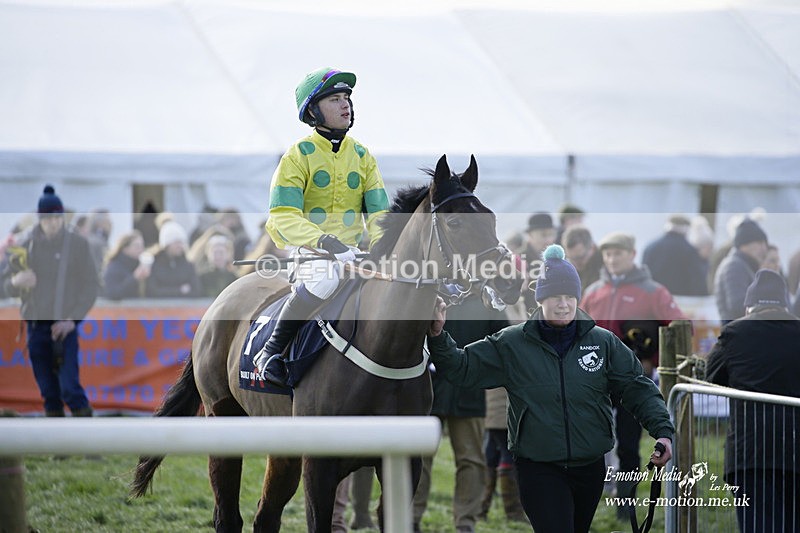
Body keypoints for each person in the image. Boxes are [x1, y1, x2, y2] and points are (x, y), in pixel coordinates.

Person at [426, 244, 674, 533]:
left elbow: (637, 387)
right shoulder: (512, 343)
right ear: (540, 299)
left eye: (569, 297)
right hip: (538, 466)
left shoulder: (603, 342)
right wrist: (438, 334)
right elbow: (462, 367)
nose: (563, 304)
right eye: (555, 297)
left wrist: (663, 432)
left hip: (589, 465)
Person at [254, 67, 389, 388]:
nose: (346, 106)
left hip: (355, 255)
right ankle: (270, 352)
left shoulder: (363, 155)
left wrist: (383, 250)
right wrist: (327, 243)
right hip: (313, 254)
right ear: (313, 110)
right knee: (327, 280)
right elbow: (282, 215)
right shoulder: (297, 156)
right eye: (335, 99)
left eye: (347, 99)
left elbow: (381, 215)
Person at [579, 231, 685, 518]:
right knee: (590, 442)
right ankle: (589, 497)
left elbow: (679, 328)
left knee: (628, 445)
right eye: (608, 253)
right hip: (594, 380)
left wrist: (653, 360)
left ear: (632, 254)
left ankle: (625, 506)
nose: (612, 259)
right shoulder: (592, 292)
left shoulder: (654, 291)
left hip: (630, 382)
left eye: (618, 253)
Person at [705, 269, 799, 533]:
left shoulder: (734, 333)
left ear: (748, 306)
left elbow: (711, 376)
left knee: (756, 524)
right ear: (784, 304)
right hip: (795, 449)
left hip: (750, 452)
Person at [412, 295, 509, 533]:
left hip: (469, 391)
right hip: (427, 389)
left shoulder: (485, 299)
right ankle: (410, 518)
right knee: (419, 459)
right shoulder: (428, 293)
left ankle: (466, 523)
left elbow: (503, 340)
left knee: (471, 460)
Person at [0, 185, 99, 417]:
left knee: (70, 388)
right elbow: (3, 286)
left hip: (64, 327)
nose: (54, 223)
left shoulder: (77, 244)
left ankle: (91, 444)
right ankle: (60, 449)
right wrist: (16, 281)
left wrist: (72, 320)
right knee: (48, 391)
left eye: (57, 217)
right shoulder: (24, 245)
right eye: (48, 218)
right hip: (35, 327)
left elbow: (91, 286)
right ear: (40, 219)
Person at [478, 387, 527, 524]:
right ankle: (513, 511)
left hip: (490, 409)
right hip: (504, 409)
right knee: (507, 458)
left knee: (490, 457)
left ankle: (480, 509)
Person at [714, 218, 768, 324]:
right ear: (744, 244)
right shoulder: (734, 266)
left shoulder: (742, 265)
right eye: (759, 243)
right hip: (737, 334)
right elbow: (737, 306)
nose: (764, 249)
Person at [642, 214, 709, 296]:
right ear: (686, 229)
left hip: (653, 297)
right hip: (681, 301)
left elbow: (644, 277)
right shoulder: (689, 251)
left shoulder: (650, 248)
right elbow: (697, 282)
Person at [145, 220, 200, 298]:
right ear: (167, 244)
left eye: (181, 242)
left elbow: (196, 290)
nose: (180, 246)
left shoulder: (188, 265)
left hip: (184, 309)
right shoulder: (155, 265)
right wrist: (179, 291)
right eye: (176, 242)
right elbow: (152, 291)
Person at [102, 230, 151, 300]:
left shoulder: (140, 265)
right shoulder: (114, 267)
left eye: (142, 246)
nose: (141, 250)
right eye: (137, 246)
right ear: (125, 248)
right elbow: (113, 293)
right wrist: (134, 278)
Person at [522, 212, 556, 312]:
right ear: (530, 235)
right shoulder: (518, 260)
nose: (549, 240)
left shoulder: (558, 259)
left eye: (551, 234)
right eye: (543, 235)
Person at [562, 224, 603, 292]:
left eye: (580, 258)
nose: (575, 263)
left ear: (592, 248)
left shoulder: (607, 266)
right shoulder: (566, 268)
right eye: (571, 258)